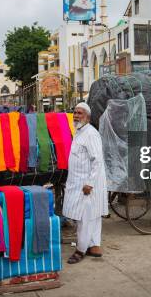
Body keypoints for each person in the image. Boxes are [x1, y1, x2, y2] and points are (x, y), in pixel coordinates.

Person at [63, 102, 108, 264]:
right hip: (79, 181)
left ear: (87, 117)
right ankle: (94, 247)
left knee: (85, 217)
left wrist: (90, 183)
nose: (76, 115)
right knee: (92, 216)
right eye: (74, 112)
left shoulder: (91, 134)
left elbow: (97, 160)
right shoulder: (79, 131)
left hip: (88, 183)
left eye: (80, 113)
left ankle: (80, 250)